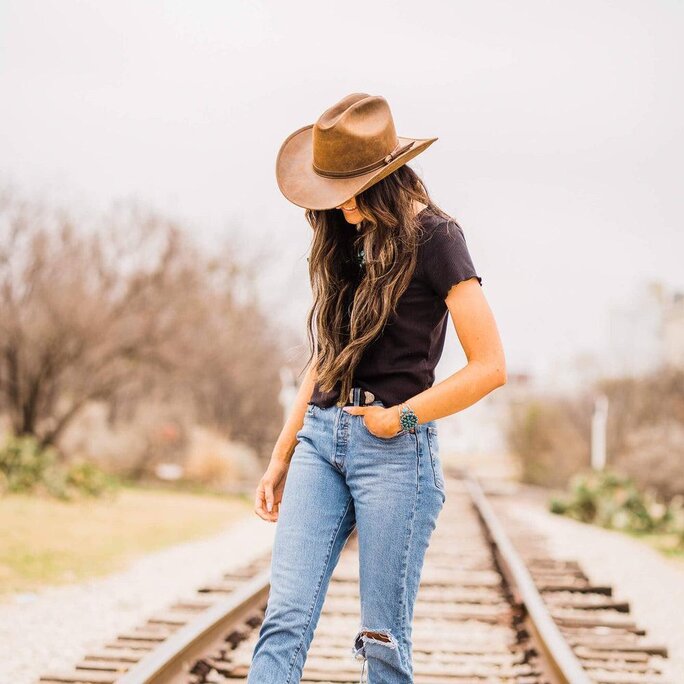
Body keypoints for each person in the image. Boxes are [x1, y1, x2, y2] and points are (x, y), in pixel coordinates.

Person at [248, 92, 506, 684]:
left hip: (393, 451)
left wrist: (402, 419)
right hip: (320, 438)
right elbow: (325, 356)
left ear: (378, 182)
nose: (333, 210)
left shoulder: (438, 238)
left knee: (382, 638)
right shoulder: (345, 240)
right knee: (284, 618)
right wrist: (282, 452)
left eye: (339, 195)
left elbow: (489, 365)